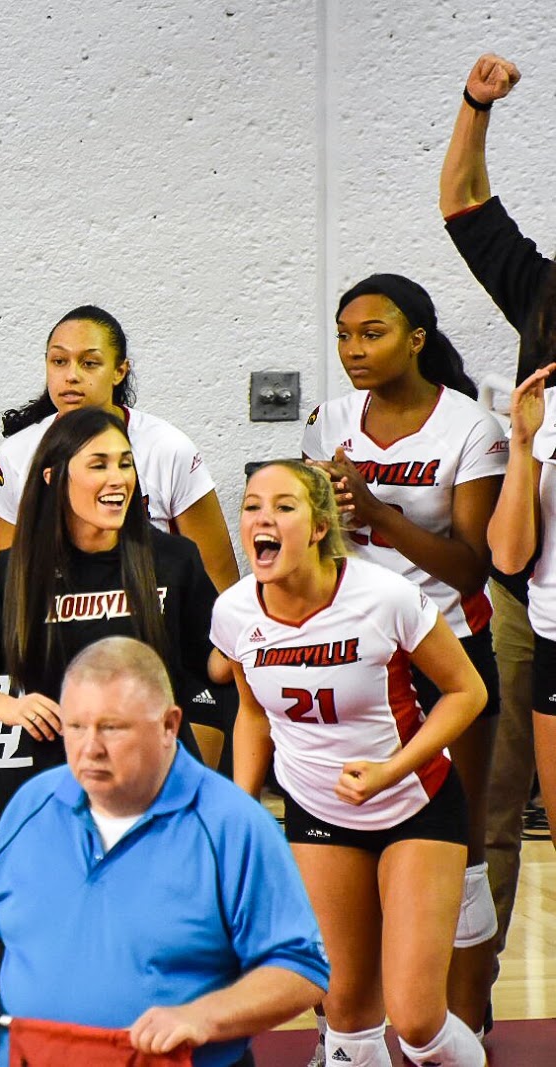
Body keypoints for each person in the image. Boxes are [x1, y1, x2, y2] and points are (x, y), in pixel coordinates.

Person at [0, 637, 327, 1067]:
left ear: (170, 726)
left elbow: (301, 971)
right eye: (75, 726)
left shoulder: (232, 825)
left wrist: (204, 1016)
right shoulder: (33, 804)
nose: (89, 748)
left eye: (111, 728)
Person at [214, 461, 488, 1067]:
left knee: (417, 1021)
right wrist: (241, 799)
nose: (263, 518)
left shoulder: (383, 595)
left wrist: (392, 768)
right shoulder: (234, 613)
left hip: (414, 801)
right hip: (317, 811)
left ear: (318, 527)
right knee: (346, 1016)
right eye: (253, 505)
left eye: (284, 506)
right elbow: (254, 714)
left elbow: (468, 692)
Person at [301, 273, 506, 1036]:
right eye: (344, 333)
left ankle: (465, 1022)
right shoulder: (330, 421)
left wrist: (376, 510)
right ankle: (347, 1031)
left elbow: (471, 566)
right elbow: (312, 533)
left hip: (446, 646)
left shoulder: (470, 428)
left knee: (464, 843)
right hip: (351, 651)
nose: (354, 348)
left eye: (372, 333)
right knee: (343, 841)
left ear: (416, 338)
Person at [438, 51, 546, 1016]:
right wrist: (476, 105)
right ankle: (471, 1005)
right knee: (496, 805)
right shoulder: (544, 292)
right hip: (527, 595)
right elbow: (464, 203)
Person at [0, 408, 219, 783]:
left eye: (125, 464)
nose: (117, 479)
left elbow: (214, 668)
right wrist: (9, 707)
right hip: (63, 779)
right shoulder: (17, 571)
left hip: (163, 779)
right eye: (98, 465)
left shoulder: (174, 559)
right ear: (53, 477)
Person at [0, 305, 237, 592]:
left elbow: (220, 580)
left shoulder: (168, 448)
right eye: (59, 361)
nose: (71, 376)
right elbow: (6, 584)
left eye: (89, 363)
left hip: (154, 626)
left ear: (119, 371)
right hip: (55, 628)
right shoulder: (16, 453)